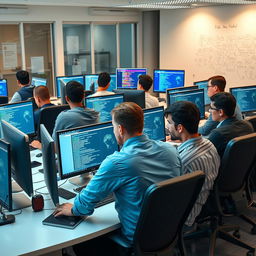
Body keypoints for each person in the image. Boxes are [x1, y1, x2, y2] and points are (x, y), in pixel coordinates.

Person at [54, 102, 182, 255]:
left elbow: (85, 205)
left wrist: (73, 208)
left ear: (120, 129)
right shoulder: (171, 150)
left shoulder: (117, 162)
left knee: (82, 243)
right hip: (168, 232)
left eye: (114, 127)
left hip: (137, 240)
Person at [165, 101, 220, 227]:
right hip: (204, 202)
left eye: (169, 123)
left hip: (185, 217)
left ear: (180, 128)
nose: (167, 127)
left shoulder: (184, 161)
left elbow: (169, 197)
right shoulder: (209, 145)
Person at [30, 81, 99, 149]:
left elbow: (54, 147)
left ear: (67, 98)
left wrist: (39, 145)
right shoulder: (95, 114)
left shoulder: (64, 117)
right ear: (83, 96)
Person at [208, 92, 254, 158]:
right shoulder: (248, 125)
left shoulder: (217, 134)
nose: (209, 111)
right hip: (244, 167)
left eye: (212, 108)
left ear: (221, 112)